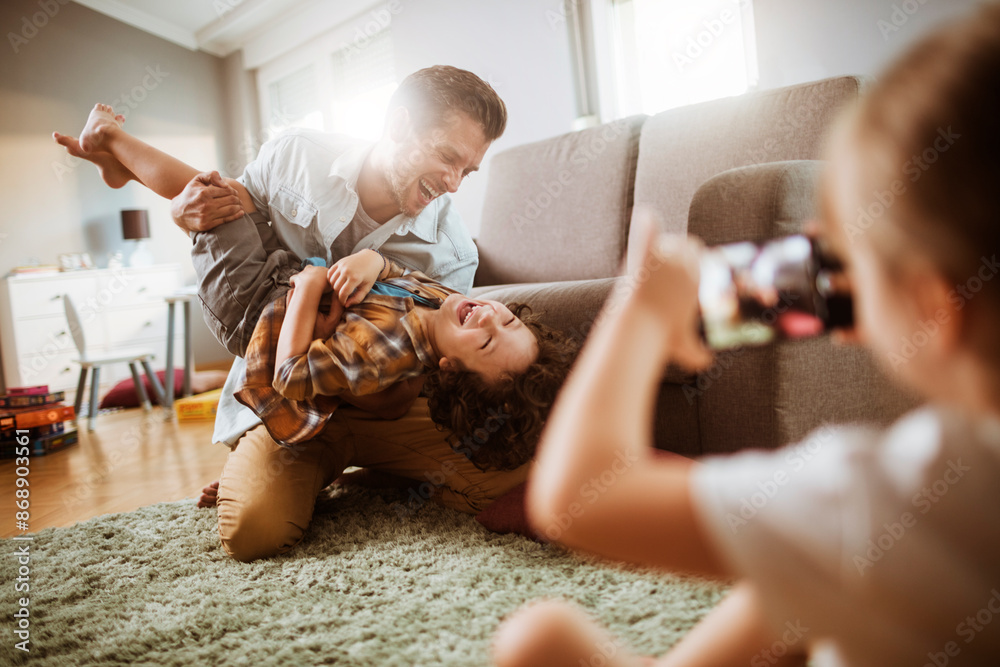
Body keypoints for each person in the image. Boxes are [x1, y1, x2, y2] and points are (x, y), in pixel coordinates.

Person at [492, 5, 1000, 667]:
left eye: (858, 260)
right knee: (804, 561)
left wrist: (640, 313)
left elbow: (576, 496)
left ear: (935, 311)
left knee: (536, 642)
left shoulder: (897, 492)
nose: (827, 266)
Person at [56, 66, 561, 561]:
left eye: (467, 171)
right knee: (255, 531)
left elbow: (429, 375)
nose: (453, 183)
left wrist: (325, 300)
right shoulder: (298, 156)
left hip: (373, 396)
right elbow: (229, 217)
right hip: (284, 374)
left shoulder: (453, 252)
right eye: (448, 157)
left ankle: (356, 468)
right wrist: (182, 213)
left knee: (514, 469)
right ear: (400, 125)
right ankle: (114, 144)